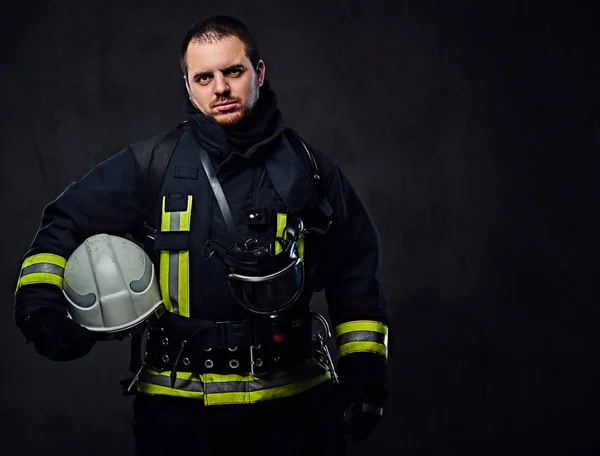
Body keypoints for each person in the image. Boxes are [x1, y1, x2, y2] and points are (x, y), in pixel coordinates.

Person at [14, 15, 390, 456]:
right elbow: (66, 220)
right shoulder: (153, 165)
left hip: (296, 412)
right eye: (204, 77)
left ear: (259, 73)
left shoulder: (310, 168)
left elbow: (356, 264)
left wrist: (365, 371)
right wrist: (41, 308)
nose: (221, 88)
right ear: (189, 87)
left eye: (233, 71)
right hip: (178, 417)